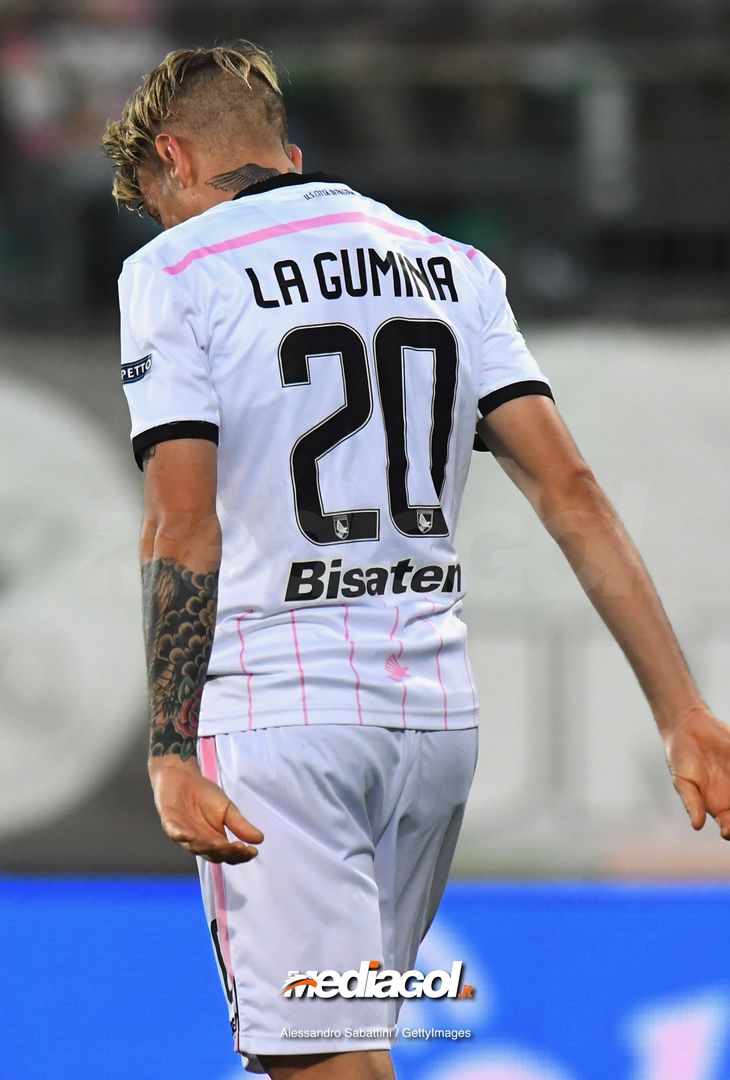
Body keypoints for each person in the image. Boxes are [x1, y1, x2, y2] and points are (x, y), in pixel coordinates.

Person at [103, 41, 730, 1080]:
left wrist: (171, 749)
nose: (163, 224)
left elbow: (182, 521)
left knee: (327, 1062)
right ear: (287, 155)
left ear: (172, 157)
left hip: (279, 719)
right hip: (431, 725)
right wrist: (682, 710)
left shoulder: (172, 271)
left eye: (158, 200)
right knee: (339, 1048)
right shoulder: (450, 266)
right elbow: (569, 493)